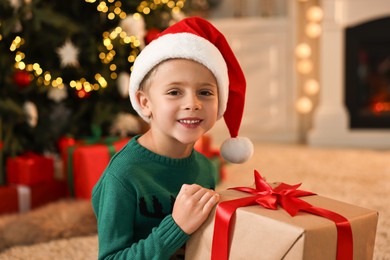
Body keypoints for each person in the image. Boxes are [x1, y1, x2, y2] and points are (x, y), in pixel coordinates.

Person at [92, 16, 253, 259]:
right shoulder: (123, 176)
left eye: (205, 92)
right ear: (146, 103)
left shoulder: (205, 168)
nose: (193, 103)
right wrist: (176, 227)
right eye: (174, 92)